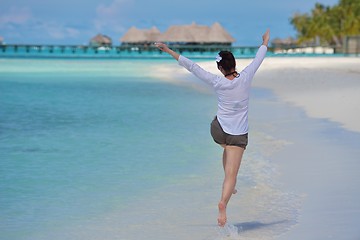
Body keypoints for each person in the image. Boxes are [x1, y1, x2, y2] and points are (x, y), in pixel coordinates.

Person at [155, 29, 270, 227]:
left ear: (220, 68)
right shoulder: (246, 76)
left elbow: (191, 66)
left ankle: (229, 185)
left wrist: (167, 50)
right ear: (234, 64)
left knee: (225, 150)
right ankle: (224, 202)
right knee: (232, 175)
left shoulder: (217, 81)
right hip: (237, 135)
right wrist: (265, 41)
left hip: (217, 131)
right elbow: (259, 58)